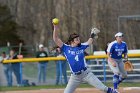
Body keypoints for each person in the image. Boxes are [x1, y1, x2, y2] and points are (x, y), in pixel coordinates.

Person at [52, 22, 118, 93]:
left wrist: (92, 34)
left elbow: (89, 41)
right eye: (76, 38)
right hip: (75, 77)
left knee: (104, 88)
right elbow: (55, 39)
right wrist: (55, 27)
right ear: (72, 41)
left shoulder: (81, 46)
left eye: (78, 38)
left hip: (86, 74)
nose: (78, 39)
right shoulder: (65, 48)